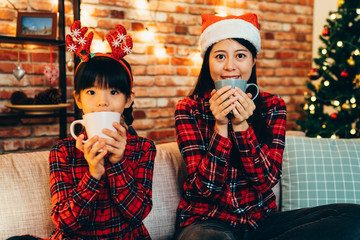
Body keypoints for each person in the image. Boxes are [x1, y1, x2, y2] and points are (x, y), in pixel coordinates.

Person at [174, 13, 360, 240]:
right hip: (208, 222)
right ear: (208, 63)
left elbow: (266, 181)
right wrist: (220, 126)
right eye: (220, 56)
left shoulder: (273, 107)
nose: (230, 66)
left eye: (240, 55)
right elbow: (205, 190)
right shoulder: (189, 109)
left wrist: (242, 126)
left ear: (253, 61)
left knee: (353, 217)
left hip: (261, 222)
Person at [48, 21, 156, 239]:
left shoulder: (143, 149)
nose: (102, 102)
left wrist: (118, 163)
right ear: (78, 99)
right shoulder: (63, 152)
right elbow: (64, 223)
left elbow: (138, 214)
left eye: (114, 91)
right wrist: (93, 174)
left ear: (128, 100)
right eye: (91, 92)